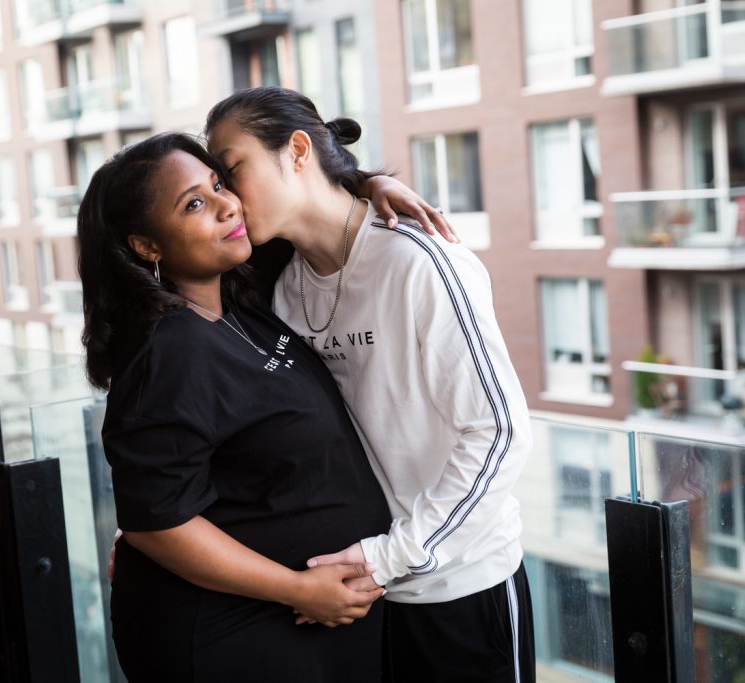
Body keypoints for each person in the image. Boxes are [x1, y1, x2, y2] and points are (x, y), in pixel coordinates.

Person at [204, 87, 536, 683]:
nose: (225, 198)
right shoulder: (284, 290)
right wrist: (157, 519)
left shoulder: (418, 262)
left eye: (231, 171)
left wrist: (389, 560)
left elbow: (501, 431)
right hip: (359, 600)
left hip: (458, 590)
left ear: (298, 150)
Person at [78, 133, 396, 682]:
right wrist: (297, 587)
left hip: (295, 625)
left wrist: (371, 184)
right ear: (147, 246)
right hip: (233, 632)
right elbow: (158, 524)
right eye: (194, 204)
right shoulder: (170, 349)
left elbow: (308, 198)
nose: (227, 205)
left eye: (220, 184)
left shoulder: (235, 299)